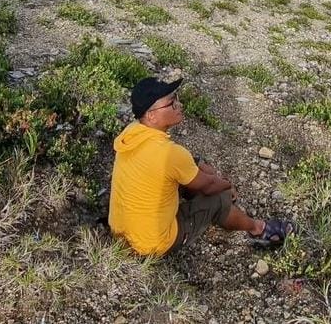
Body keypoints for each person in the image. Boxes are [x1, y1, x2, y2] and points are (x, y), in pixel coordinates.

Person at [108, 75, 295, 256]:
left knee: (192, 171)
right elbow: (210, 185)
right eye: (171, 103)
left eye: (177, 99)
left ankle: (225, 213)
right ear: (151, 116)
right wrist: (228, 186)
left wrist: (202, 168)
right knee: (219, 197)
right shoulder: (169, 153)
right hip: (150, 245)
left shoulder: (131, 133)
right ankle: (259, 229)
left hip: (121, 235)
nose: (179, 105)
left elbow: (187, 165)